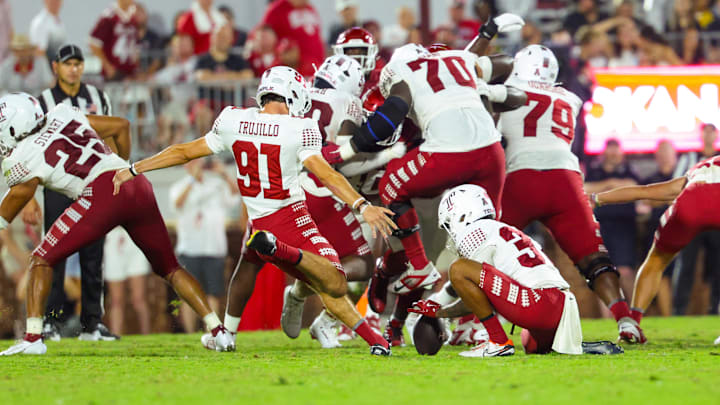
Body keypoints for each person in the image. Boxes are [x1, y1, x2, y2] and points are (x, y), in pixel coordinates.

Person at [112, 66, 397, 356]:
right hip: (291, 219)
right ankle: (281, 251)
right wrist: (362, 204)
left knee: (250, 267)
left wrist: (135, 168)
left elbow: (183, 151)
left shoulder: (234, 120)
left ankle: (227, 334)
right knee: (334, 281)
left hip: (259, 221)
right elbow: (328, 175)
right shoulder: (300, 128)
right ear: (294, 95)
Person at [0, 93, 234, 355]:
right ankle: (219, 332)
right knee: (170, 268)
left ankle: (33, 338)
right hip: (134, 182)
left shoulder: (20, 156)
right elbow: (121, 126)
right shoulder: (61, 113)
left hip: (99, 194)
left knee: (41, 259)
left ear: (12, 127)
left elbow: (17, 198)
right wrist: (120, 167)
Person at [324, 15, 525, 296]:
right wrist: (488, 36)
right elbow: (507, 69)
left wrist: (345, 150)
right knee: (486, 232)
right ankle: (487, 315)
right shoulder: (456, 60)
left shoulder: (400, 71)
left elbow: (390, 116)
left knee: (391, 187)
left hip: (445, 151)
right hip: (491, 151)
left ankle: (419, 268)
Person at [497, 45, 644, 342]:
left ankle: (474, 324)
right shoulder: (569, 98)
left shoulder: (504, 92)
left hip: (520, 178)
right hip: (564, 178)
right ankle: (625, 320)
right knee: (594, 259)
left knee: (484, 249)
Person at [409, 184, 583, 357]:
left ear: (461, 215)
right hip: (562, 306)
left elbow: (478, 297)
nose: (451, 230)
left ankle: (498, 342)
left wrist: (441, 312)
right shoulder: (504, 229)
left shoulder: (473, 232)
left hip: (535, 304)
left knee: (459, 268)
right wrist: (443, 312)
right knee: (530, 344)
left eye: (449, 222)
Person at [300, 55, 388, 348]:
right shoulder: (348, 103)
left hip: (283, 188)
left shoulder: (299, 92)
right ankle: (308, 301)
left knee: (259, 259)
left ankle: (224, 328)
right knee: (363, 261)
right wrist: (388, 156)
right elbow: (345, 162)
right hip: (323, 188)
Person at [30, 44, 116, 342]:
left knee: (94, 256)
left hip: (91, 184)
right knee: (54, 255)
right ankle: (50, 322)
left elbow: (111, 137)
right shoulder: (41, 102)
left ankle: (92, 324)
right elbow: (29, 149)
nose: (74, 68)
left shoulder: (98, 98)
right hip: (56, 185)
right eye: (68, 63)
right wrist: (29, 195)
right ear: (55, 67)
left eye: (78, 63)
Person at [591, 154, 720, 344]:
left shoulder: (698, 171)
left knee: (656, 261)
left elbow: (644, 191)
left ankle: (632, 325)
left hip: (689, 204)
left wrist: (597, 198)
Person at [169, 158, 239, 333]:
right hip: (189, 249)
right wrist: (193, 180)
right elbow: (177, 203)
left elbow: (235, 196)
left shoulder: (216, 184)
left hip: (214, 248)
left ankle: (212, 332)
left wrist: (224, 174)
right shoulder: (179, 186)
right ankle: (190, 333)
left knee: (213, 293)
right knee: (189, 296)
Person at [672, 123, 720, 316]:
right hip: (693, 220)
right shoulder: (689, 158)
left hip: (716, 221)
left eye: (711, 132)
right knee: (686, 265)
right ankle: (679, 310)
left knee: (718, 267)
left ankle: (715, 309)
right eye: (705, 132)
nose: (708, 136)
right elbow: (677, 186)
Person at [584, 139, 640, 302]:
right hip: (600, 227)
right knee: (602, 271)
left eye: (616, 150)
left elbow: (634, 186)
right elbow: (585, 188)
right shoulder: (595, 170)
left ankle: (636, 309)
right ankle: (610, 316)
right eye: (610, 150)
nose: (614, 154)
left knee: (625, 271)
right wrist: (610, 184)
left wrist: (606, 187)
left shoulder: (628, 170)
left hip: (624, 227)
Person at [192, 23, 253, 136]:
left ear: (231, 39)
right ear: (212, 38)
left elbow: (247, 76)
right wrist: (232, 80)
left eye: (226, 37)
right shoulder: (203, 60)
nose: (222, 40)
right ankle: (205, 150)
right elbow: (202, 77)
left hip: (235, 104)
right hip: (209, 103)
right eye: (219, 36)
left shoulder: (238, 60)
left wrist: (215, 79)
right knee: (202, 114)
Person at [103, 227, 151, 335]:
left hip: (134, 237)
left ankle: (147, 336)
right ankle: (116, 337)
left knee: (139, 299)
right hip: (113, 240)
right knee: (116, 301)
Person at [259, 0, 324, 77]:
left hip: (315, 69)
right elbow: (262, 37)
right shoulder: (276, 9)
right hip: (291, 72)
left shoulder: (310, 8)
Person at [89, 0, 140, 80]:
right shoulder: (109, 16)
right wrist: (108, 67)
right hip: (115, 73)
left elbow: (136, 43)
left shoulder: (135, 15)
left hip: (131, 71)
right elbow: (93, 43)